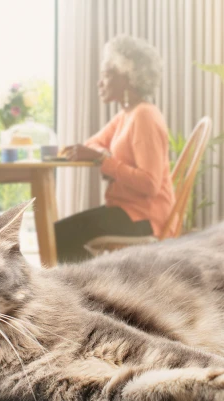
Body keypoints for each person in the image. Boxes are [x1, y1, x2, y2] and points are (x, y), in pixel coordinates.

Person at [55, 35, 174, 263]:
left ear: (129, 77)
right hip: (127, 210)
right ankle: (92, 284)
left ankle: (88, 286)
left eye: (107, 74)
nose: (100, 83)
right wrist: (102, 156)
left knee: (56, 235)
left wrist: (104, 161)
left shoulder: (144, 116)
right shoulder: (125, 115)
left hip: (144, 217)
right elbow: (91, 144)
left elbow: (150, 184)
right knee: (56, 234)